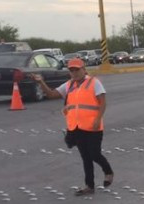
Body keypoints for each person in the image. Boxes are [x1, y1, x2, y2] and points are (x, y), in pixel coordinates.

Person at [33, 59, 114, 196]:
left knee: (95, 154)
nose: (75, 73)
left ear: (84, 69)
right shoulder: (69, 85)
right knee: (85, 157)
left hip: (93, 127)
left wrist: (98, 119)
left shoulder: (94, 82)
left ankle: (108, 171)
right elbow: (52, 94)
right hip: (76, 127)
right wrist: (41, 82)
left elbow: (103, 102)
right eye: (72, 70)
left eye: (77, 70)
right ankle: (89, 186)